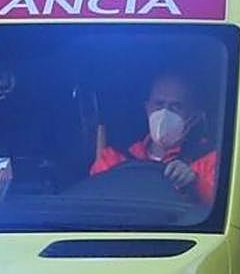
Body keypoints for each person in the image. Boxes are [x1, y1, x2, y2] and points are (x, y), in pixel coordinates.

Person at [90, 73, 217, 204]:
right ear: (147, 109)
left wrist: (194, 185)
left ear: (194, 118)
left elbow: (219, 207)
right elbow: (94, 202)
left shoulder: (209, 161)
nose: (164, 113)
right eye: (158, 104)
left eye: (176, 106)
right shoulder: (113, 158)